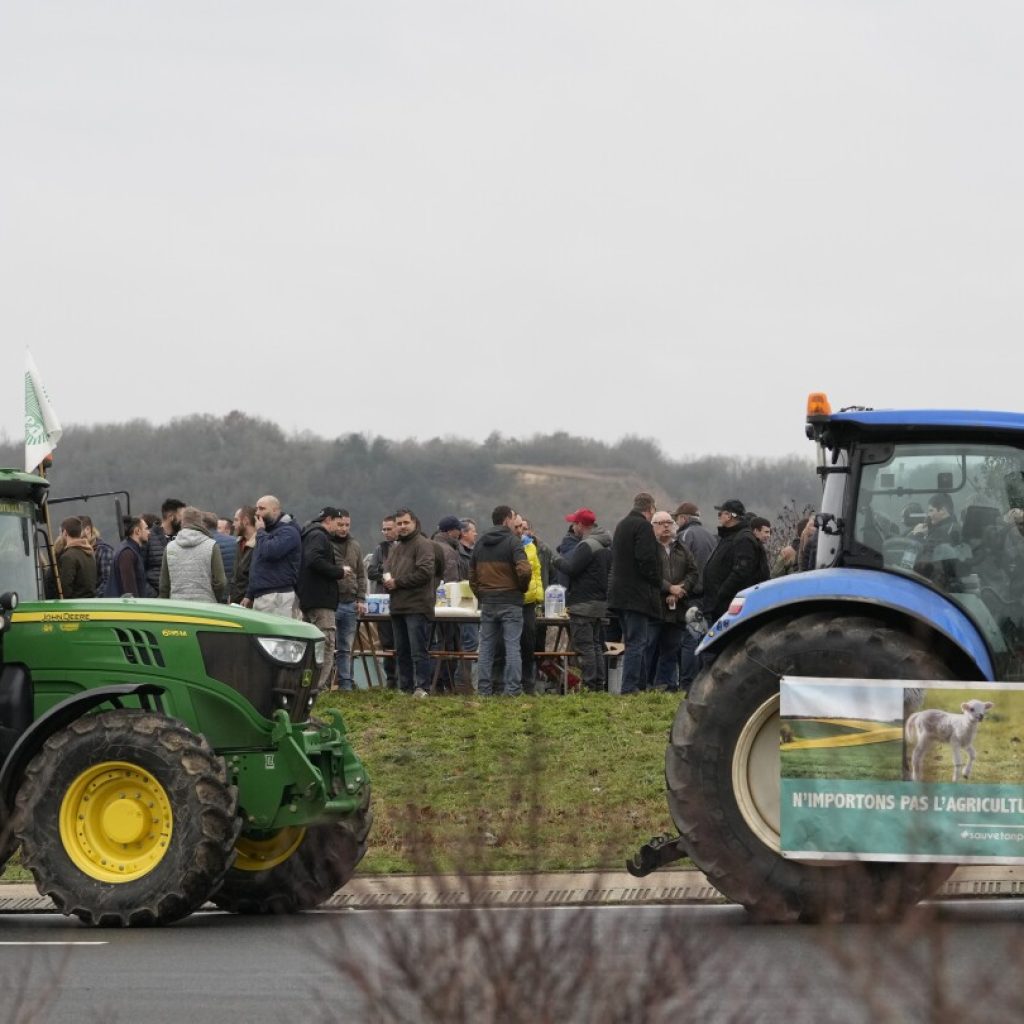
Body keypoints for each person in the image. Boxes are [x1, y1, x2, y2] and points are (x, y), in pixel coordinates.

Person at [470, 504, 532, 696]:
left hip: (488, 601)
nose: (515, 522)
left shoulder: (480, 543)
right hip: (511, 601)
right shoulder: (513, 543)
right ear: (506, 520)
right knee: (512, 646)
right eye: (513, 518)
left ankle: (484, 690)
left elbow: (472, 577)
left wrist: (482, 595)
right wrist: (520, 590)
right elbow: (525, 570)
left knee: (486, 647)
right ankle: (513, 690)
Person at [550, 508, 612, 692]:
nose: (572, 526)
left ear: (581, 525)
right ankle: (599, 685)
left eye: (574, 523)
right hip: (599, 604)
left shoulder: (587, 546)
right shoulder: (605, 545)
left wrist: (554, 558)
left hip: (583, 604)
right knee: (596, 646)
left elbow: (570, 568)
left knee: (585, 647)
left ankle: (590, 685)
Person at [607, 492, 663, 694]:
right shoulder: (643, 527)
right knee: (637, 642)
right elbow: (646, 559)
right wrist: (658, 581)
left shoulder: (621, 525)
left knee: (632, 640)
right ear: (649, 510)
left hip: (618, 594)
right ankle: (630, 687)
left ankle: (640, 684)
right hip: (636, 595)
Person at [383, 508, 437, 697]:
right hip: (398, 606)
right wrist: (387, 579)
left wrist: (397, 582)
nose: (403, 527)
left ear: (414, 522)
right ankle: (405, 687)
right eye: (399, 523)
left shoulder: (423, 544)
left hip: (417, 605)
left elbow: (425, 573)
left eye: (406, 523)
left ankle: (422, 687)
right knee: (402, 651)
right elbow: (387, 569)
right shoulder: (396, 548)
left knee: (418, 651)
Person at [297, 507, 348, 692]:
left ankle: (307, 684)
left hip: (308, 597)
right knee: (326, 642)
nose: (340, 527)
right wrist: (339, 571)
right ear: (329, 520)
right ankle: (318, 687)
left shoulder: (308, 534)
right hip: (321, 599)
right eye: (338, 523)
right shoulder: (319, 536)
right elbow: (314, 559)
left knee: (311, 644)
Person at [647, 512, 697, 691]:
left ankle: (665, 686)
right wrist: (669, 587)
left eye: (669, 522)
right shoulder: (649, 548)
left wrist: (680, 590)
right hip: (654, 607)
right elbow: (648, 574)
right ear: (652, 526)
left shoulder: (681, 548)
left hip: (677, 607)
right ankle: (644, 686)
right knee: (648, 647)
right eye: (661, 523)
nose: (666, 526)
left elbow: (693, 572)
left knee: (671, 649)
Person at [702, 499, 769, 625]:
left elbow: (741, 571)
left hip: (728, 607)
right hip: (718, 606)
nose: (719, 517)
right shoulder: (729, 536)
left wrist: (721, 593)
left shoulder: (743, 538)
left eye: (720, 514)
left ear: (728, 516)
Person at [242, 495, 302, 618]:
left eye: (262, 509)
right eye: (256, 509)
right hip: (263, 594)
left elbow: (270, 552)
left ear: (275, 510)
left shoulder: (288, 532)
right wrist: (249, 594)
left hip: (277, 595)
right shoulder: (266, 533)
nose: (257, 513)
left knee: (274, 635)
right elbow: (258, 564)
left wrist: (260, 532)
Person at [331, 510, 368, 692]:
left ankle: (346, 684)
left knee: (346, 647)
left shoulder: (355, 545)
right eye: (340, 525)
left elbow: (361, 574)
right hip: (330, 601)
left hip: (350, 602)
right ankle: (325, 684)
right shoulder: (325, 544)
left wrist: (361, 598)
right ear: (332, 524)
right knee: (328, 646)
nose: (344, 528)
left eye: (347, 525)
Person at [159, 506, 227, 602]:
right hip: (206, 606)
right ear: (201, 523)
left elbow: (164, 585)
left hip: (177, 606)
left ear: (182, 523)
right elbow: (220, 582)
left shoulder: (170, 547)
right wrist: (214, 598)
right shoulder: (211, 546)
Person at [513, 513, 545, 695]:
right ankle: (513, 683)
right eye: (518, 527)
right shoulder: (510, 546)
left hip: (530, 603)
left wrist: (538, 595)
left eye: (524, 528)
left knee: (528, 644)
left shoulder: (531, 547)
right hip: (514, 600)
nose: (521, 531)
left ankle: (528, 683)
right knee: (511, 644)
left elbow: (537, 573)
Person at [367, 515, 399, 688]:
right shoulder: (381, 549)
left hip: (403, 600)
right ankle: (391, 680)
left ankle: (404, 679)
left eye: (389, 529)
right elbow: (371, 571)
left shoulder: (406, 547)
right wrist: (384, 575)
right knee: (386, 642)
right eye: (384, 529)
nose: (386, 532)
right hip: (384, 602)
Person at [144, 498, 186, 597]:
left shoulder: (183, 538)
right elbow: (139, 571)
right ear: (171, 517)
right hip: (156, 601)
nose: (184, 520)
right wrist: (154, 596)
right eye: (182, 516)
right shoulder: (148, 538)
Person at [104, 515, 151, 597]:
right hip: (125, 608)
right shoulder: (127, 553)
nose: (149, 532)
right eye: (146, 528)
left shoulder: (131, 550)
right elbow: (130, 591)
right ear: (137, 531)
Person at [57, 516, 98, 599]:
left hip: (75, 607)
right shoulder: (89, 552)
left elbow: (66, 588)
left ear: (65, 533)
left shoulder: (68, 556)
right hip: (91, 603)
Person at [78, 515, 114, 597]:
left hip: (99, 604)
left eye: (77, 532)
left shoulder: (104, 550)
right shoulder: (79, 550)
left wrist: (91, 599)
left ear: (87, 529)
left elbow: (107, 582)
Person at [231, 505, 258, 604]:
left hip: (250, 603)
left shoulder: (260, 544)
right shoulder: (239, 543)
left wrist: (249, 597)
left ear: (246, 521)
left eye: (236, 520)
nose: (233, 524)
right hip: (236, 601)